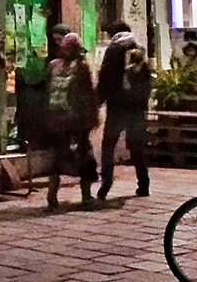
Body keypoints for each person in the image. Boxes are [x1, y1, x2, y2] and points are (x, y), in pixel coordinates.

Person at [43, 32, 99, 210]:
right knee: (85, 155)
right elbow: (88, 94)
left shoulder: (53, 65)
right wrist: (93, 117)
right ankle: (86, 195)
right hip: (77, 120)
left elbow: (46, 93)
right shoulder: (81, 67)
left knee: (58, 156)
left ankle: (52, 196)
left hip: (57, 119)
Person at [98, 41, 152, 200]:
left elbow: (105, 81)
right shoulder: (141, 60)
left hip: (117, 110)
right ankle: (144, 184)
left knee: (108, 147)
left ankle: (105, 186)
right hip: (135, 112)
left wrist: (100, 99)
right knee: (137, 149)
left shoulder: (113, 53)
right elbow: (146, 90)